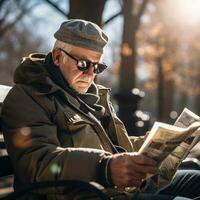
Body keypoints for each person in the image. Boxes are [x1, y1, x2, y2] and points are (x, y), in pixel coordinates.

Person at [1, 19, 200, 200]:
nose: (90, 74)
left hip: (121, 189)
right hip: (91, 194)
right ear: (57, 56)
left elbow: (115, 149)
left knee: (196, 179)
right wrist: (105, 167)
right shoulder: (28, 96)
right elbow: (39, 163)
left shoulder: (94, 98)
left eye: (97, 67)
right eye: (83, 64)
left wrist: (157, 143)